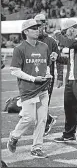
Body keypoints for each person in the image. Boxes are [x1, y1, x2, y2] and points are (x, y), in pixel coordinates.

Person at [8, 19, 52, 158]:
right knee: (28, 118)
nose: (37, 30)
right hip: (28, 89)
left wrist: (48, 73)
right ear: (25, 32)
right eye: (33, 28)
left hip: (43, 88)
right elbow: (14, 70)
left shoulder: (44, 46)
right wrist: (33, 79)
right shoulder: (20, 48)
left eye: (38, 27)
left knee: (42, 120)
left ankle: (36, 148)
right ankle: (14, 136)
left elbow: (46, 63)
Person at [34, 13, 64, 136]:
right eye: (35, 25)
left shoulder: (51, 41)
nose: (37, 28)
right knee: (34, 103)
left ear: (45, 24)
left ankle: (44, 125)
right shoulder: (31, 39)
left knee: (43, 103)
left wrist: (60, 77)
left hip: (47, 78)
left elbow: (59, 60)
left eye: (39, 25)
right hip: (33, 77)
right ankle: (49, 120)